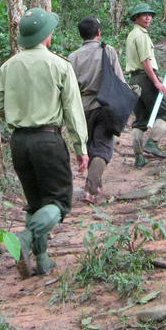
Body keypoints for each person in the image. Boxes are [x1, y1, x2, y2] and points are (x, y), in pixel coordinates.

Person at [0, 8, 89, 277]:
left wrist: (20, 114)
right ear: (46, 35)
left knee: (36, 204)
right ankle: (23, 240)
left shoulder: (8, 66)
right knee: (58, 202)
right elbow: (72, 111)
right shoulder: (59, 66)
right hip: (48, 140)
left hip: (19, 142)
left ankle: (43, 260)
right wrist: (81, 148)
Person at [67, 15, 128, 201]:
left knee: (91, 146)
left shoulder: (73, 57)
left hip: (82, 108)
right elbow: (120, 80)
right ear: (98, 33)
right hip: (105, 106)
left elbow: (70, 88)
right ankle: (90, 190)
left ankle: (96, 184)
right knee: (102, 148)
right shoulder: (108, 51)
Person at [123, 0, 166, 168]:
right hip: (145, 78)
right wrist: (156, 82)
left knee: (141, 120)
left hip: (133, 81)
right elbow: (145, 61)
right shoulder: (141, 35)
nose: (148, 18)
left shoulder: (131, 35)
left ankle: (139, 157)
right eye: (144, 15)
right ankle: (152, 143)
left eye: (150, 15)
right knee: (163, 115)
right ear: (136, 18)